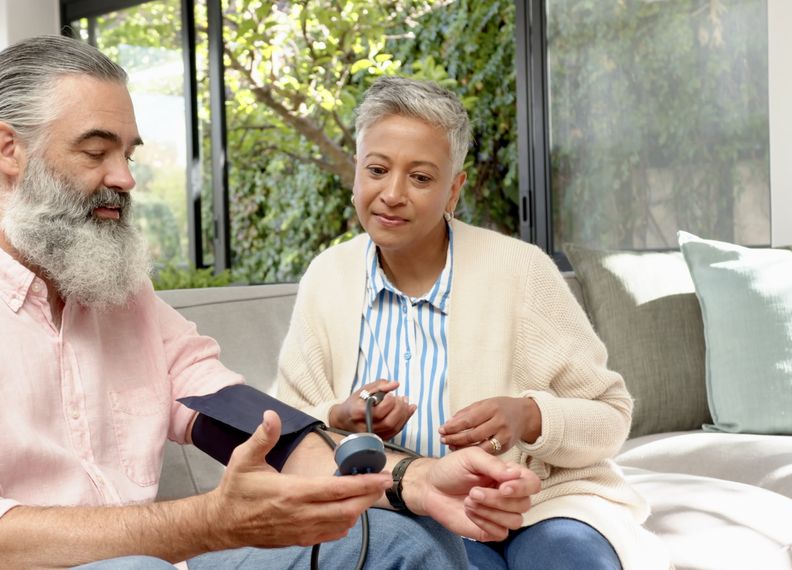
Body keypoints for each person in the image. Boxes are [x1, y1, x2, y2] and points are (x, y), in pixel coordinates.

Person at [0, 37, 542, 569]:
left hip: (159, 563)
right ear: (8, 149)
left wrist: (408, 481)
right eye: (97, 151)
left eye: (129, 152)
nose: (125, 177)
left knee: (404, 543)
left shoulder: (120, 297)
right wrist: (209, 525)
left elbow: (245, 419)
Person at [274, 77, 672, 570]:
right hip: (398, 510)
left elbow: (610, 415)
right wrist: (338, 417)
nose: (392, 194)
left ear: (453, 190)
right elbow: (284, 430)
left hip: (539, 505)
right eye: (377, 169)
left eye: (421, 178)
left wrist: (530, 416)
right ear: (357, 172)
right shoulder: (327, 278)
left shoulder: (522, 270)